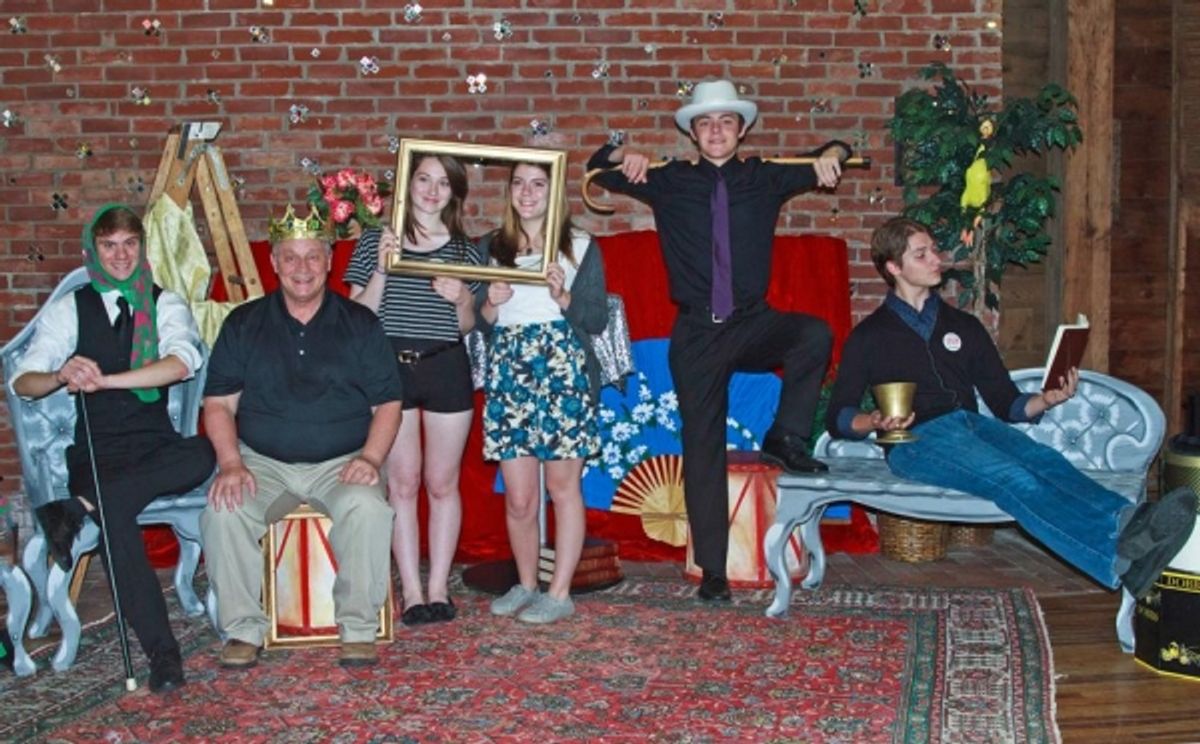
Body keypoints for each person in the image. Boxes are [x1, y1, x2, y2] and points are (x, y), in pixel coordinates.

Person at [826, 216, 1198, 599]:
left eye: (934, 249)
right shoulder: (869, 336)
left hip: (970, 426)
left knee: (1046, 462)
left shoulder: (963, 326)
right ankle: (1115, 559)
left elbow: (1006, 403)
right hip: (914, 441)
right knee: (1015, 479)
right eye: (921, 254)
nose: (936, 259)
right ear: (893, 267)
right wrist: (872, 420)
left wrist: (1046, 398)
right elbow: (837, 415)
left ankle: (1134, 524)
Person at [586, 79, 849, 602]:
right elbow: (598, 165)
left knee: (813, 334)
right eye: (705, 123)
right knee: (701, 446)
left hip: (752, 320)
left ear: (742, 129)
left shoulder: (765, 177)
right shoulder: (667, 179)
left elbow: (832, 151)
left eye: (726, 121)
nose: (716, 131)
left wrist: (834, 155)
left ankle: (787, 436)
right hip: (698, 332)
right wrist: (625, 151)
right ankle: (713, 572)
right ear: (692, 133)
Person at [9, 204, 216, 693]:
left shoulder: (164, 304)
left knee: (203, 453)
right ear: (93, 251)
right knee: (116, 512)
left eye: (129, 244)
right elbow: (23, 382)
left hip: (157, 450)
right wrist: (62, 375)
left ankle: (79, 508)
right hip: (96, 455)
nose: (120, 256)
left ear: (141, 248)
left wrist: (106, 381)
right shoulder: (69, 309)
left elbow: (180, 363)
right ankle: (163, 656)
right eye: (109, 246)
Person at [201, 205, 402, 668]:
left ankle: (357, 626)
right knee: (222, 510)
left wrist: (371, 459)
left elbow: (388, 403)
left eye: (313, 257)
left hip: (343, 460)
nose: (302, 269)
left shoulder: (361, 324)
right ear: (273, 262)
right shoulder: (243, 324)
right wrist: (231, 463)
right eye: (290, 258)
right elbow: (219, 405)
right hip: (263, 463)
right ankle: (243, 630)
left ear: (329, 260)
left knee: (368, 506)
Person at [344, 154, 482, 627]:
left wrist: (461, 296)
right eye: (423, 178)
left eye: (443, 182)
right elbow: (356, 317)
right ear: (406, 185)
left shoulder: (468, 251)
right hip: (390, 371)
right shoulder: (373, 241)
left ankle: (440, 586)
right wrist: (383, 268)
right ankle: (413, 590)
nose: (432, 189)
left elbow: (468, 325)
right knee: (401, 485)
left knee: (442, 484)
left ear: (455, 192)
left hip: (446, 366)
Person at [474, 162, 608, 623]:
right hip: (510, 372)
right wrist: (490, 303)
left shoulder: (581, 245)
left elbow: (597, 320)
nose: (527, 192)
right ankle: (526, 584)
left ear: (553, 193)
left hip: (562, 370)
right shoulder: (491, 247)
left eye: (538, 184)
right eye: (518, 183)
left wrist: (564, 298)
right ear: (508, 191)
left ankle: (559, 592)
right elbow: (480, 325)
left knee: (562, 486)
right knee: (519, 498)